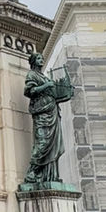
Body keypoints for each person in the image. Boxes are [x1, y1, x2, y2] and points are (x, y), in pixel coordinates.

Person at [23, 52, 65, 187]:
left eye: (42, 58)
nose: (41, 60)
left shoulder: (44, 76)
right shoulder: (32, 75)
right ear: (34, 61)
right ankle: (32, 172)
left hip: (52, 112)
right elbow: (30, 91)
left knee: (53, 145)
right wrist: (46, 86)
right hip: (42, 114)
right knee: (42, 143)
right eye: (39, 58)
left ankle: (49, 176)